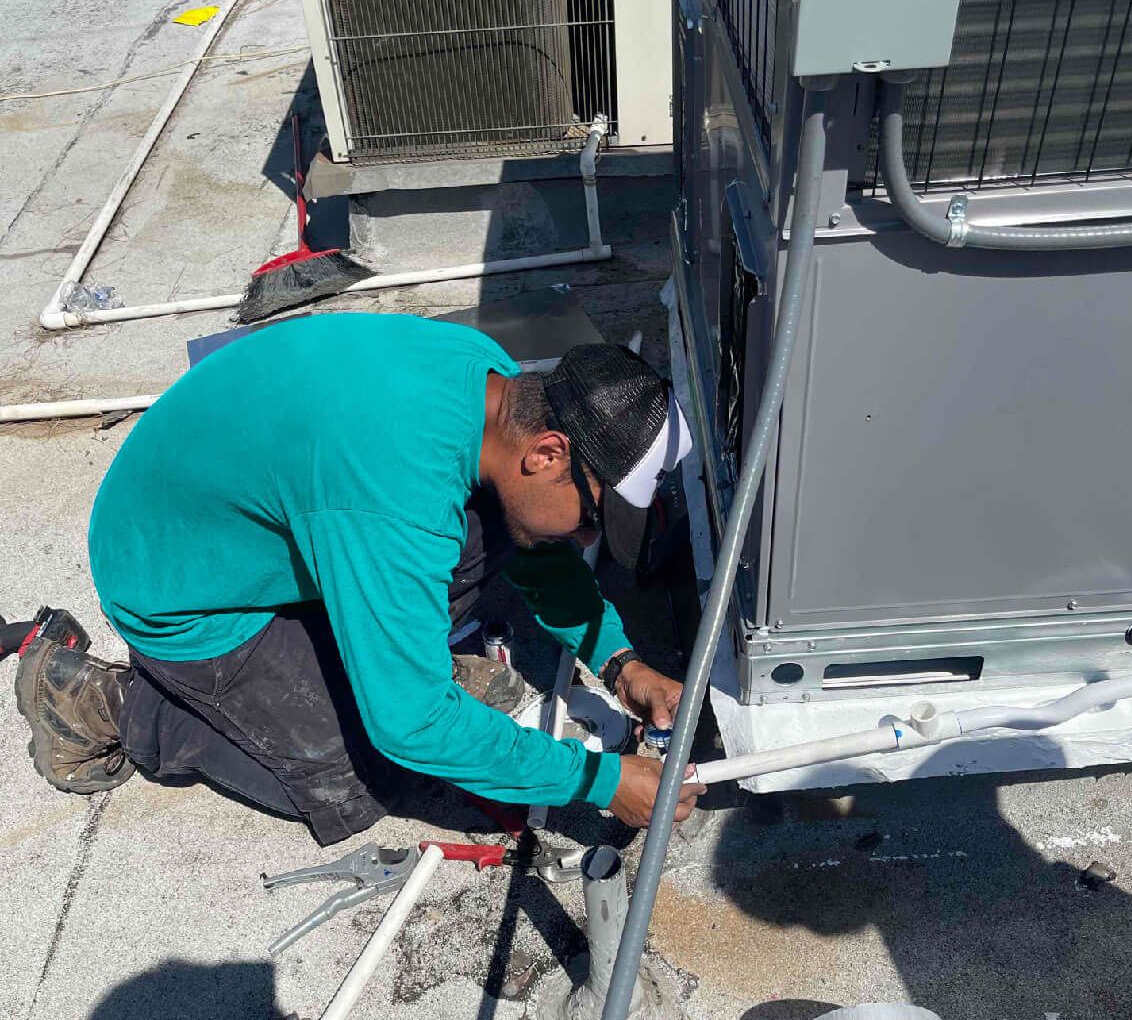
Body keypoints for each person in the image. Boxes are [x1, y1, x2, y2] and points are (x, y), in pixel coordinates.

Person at [15, 313, 705, 844]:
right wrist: (600, 781)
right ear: (548, 451)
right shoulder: (393, 491)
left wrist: (619, 664)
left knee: (505, 526)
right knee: (363, 770)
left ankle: (385, 660)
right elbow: (411, 726)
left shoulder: (498, 392)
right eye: (591, 516)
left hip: (253, 511)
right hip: (180, 588)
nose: (587, 539)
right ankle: (105, 704)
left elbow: (531, 543)